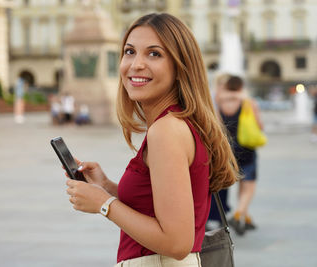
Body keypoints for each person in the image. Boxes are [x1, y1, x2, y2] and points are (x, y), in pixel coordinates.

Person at [64, 13, 239, 266]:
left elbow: (177, 243)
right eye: (130, 51)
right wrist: (107, 187)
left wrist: (104, 204)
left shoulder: (166, 131)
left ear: (180, 67)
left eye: (154, 53)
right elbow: (157, 208)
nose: (136, 64)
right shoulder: (177, 124)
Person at [215, 75, 263, 235]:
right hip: (247, 148)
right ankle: (237, 215)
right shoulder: (248, 102)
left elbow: (218, 126)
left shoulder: (220, 102)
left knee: (239, 182)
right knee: (248, 185)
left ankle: (244, 217)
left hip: (229, 149)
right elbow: (259, 125)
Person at [206, 73, 232, 230]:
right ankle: (213, 216)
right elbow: (217, 123)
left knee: (222, 181)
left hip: (222, 145)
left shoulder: (220, 97)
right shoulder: (214, 97)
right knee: (217, 181)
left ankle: (220, 214)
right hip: (217, 145)